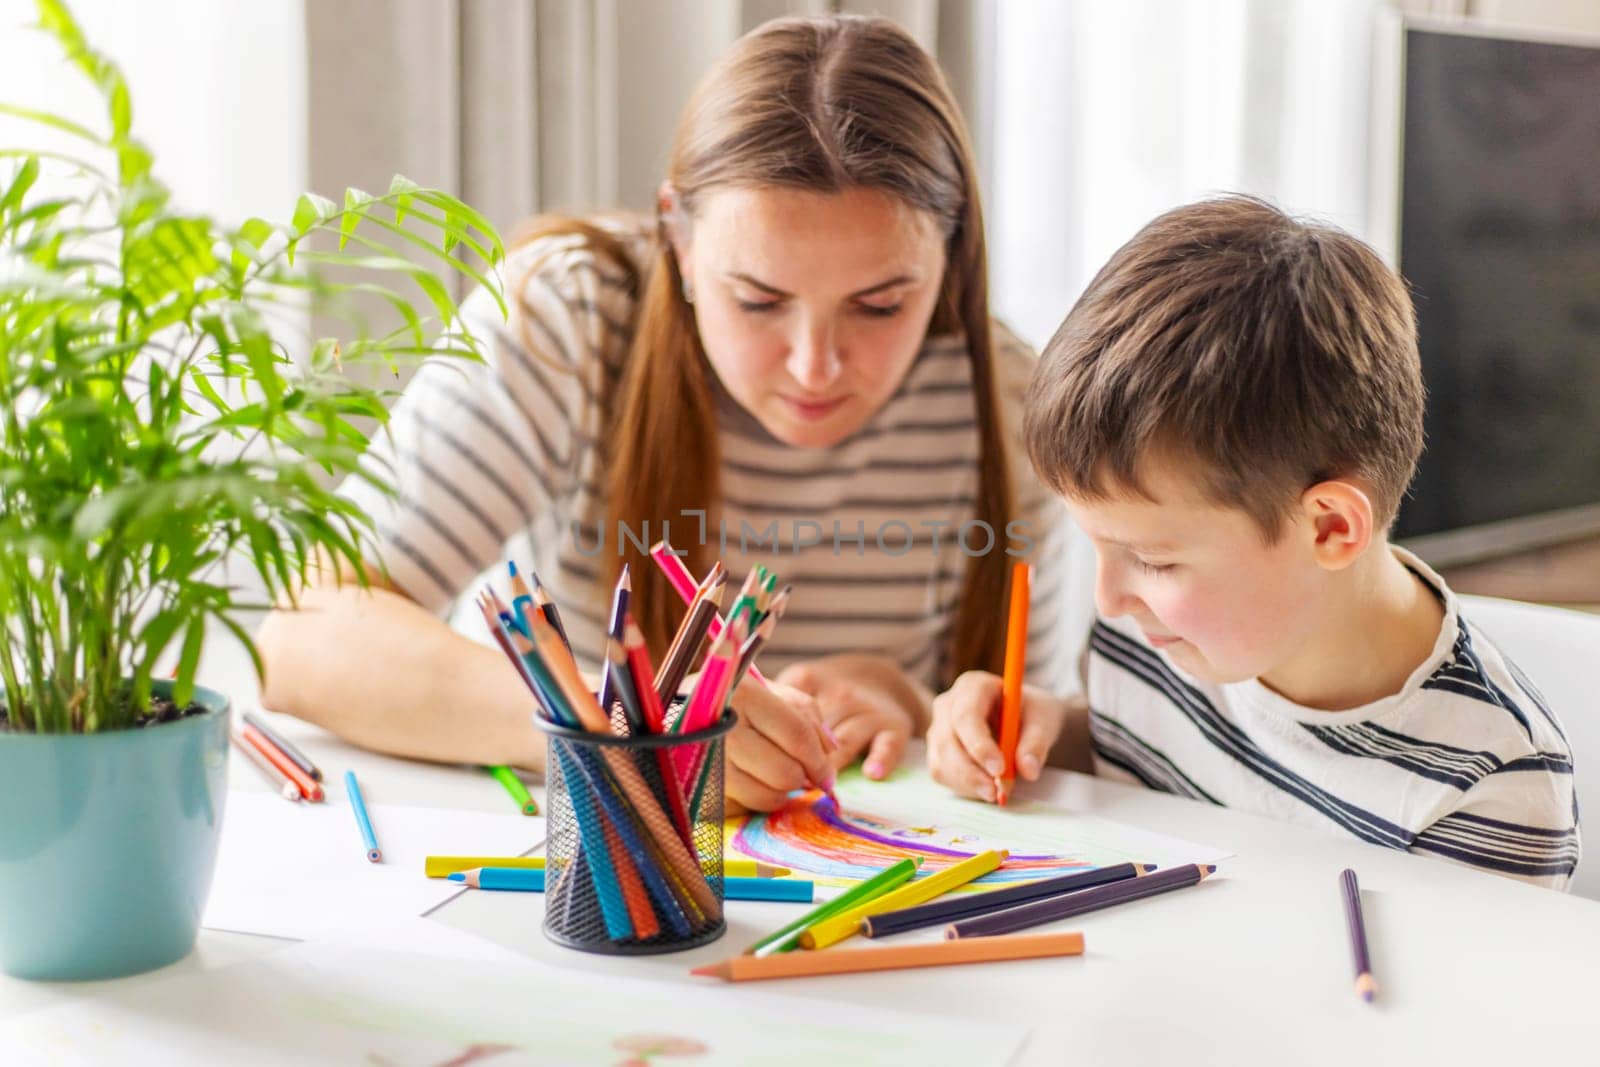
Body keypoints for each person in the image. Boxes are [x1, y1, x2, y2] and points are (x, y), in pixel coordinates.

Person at [256, 14, 1075, 812]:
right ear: (679, 242)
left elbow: (1019, 732)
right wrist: (623, 729)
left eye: (881, 303)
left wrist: (916, 701)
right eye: (757, 299)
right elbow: (302, 636)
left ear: (952, 253)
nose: (813, 365)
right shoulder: (566, 315)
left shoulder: (1004, 395)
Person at [927, 195, 1579, 888]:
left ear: (1329, 527)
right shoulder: (1155, 645)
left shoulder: (1488, 789)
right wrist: (1049, 732)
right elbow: (1159, 766)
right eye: (1097, 545)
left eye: (1152, 560)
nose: (1109, 599)